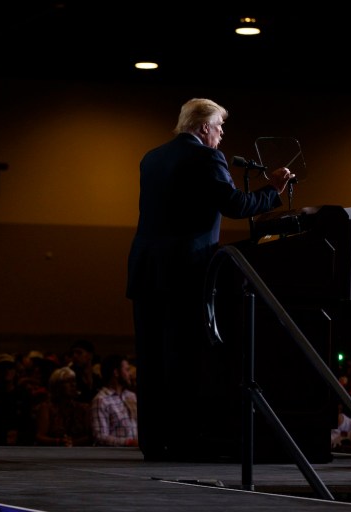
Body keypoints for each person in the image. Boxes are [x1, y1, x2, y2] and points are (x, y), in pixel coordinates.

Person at [125, 98, 295, 461]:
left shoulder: (151, 158)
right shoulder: (206, 157)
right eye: (218, 127)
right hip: (184, 272)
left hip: (146, 271)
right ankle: (183, 442)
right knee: (182, 358)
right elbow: (234, 205)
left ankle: (153, 442)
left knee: (152, 359)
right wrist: (273, 190)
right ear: (203, 127)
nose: (221, 134)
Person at [34, 366, 92, 446]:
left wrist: (73, 443)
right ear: (57, 386)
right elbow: (40, 436)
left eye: (74, 381)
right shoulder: (47, 408)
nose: (73, 385)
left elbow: (91, 436)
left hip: (80, 452)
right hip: (53, 452)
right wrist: (59, 441)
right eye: (68, 381)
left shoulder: (83, 408)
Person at [90, 354, 138, 447]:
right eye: (127, 370)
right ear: (116, 372)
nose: (130, 374)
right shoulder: (101, 400)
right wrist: (129, 442)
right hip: (116, 456)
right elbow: (100, 436)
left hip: (136, 455)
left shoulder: (131, 396)